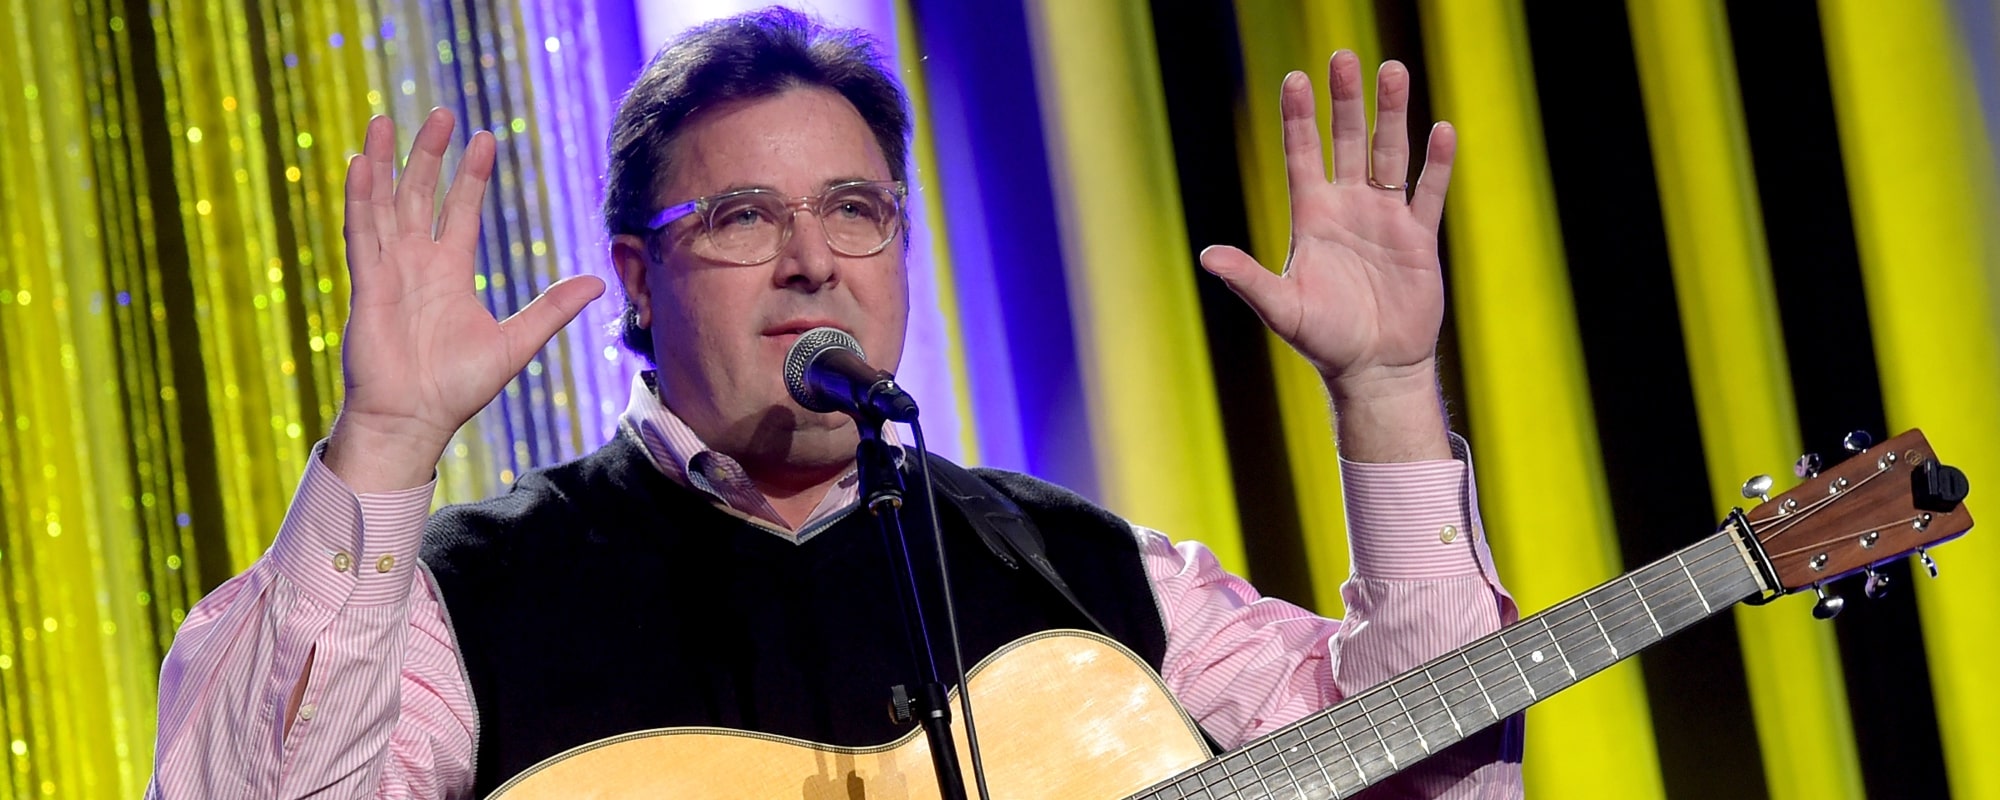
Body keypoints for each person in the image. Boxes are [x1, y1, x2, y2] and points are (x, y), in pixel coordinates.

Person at [147, 7, 1520, 798]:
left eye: (854, 211)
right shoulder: (470, 595)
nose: (813, 260)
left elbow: (1435, 769)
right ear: (636, 277)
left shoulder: (1090, 571)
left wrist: (1387, 393)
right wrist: (384, 445)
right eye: (745, 215)